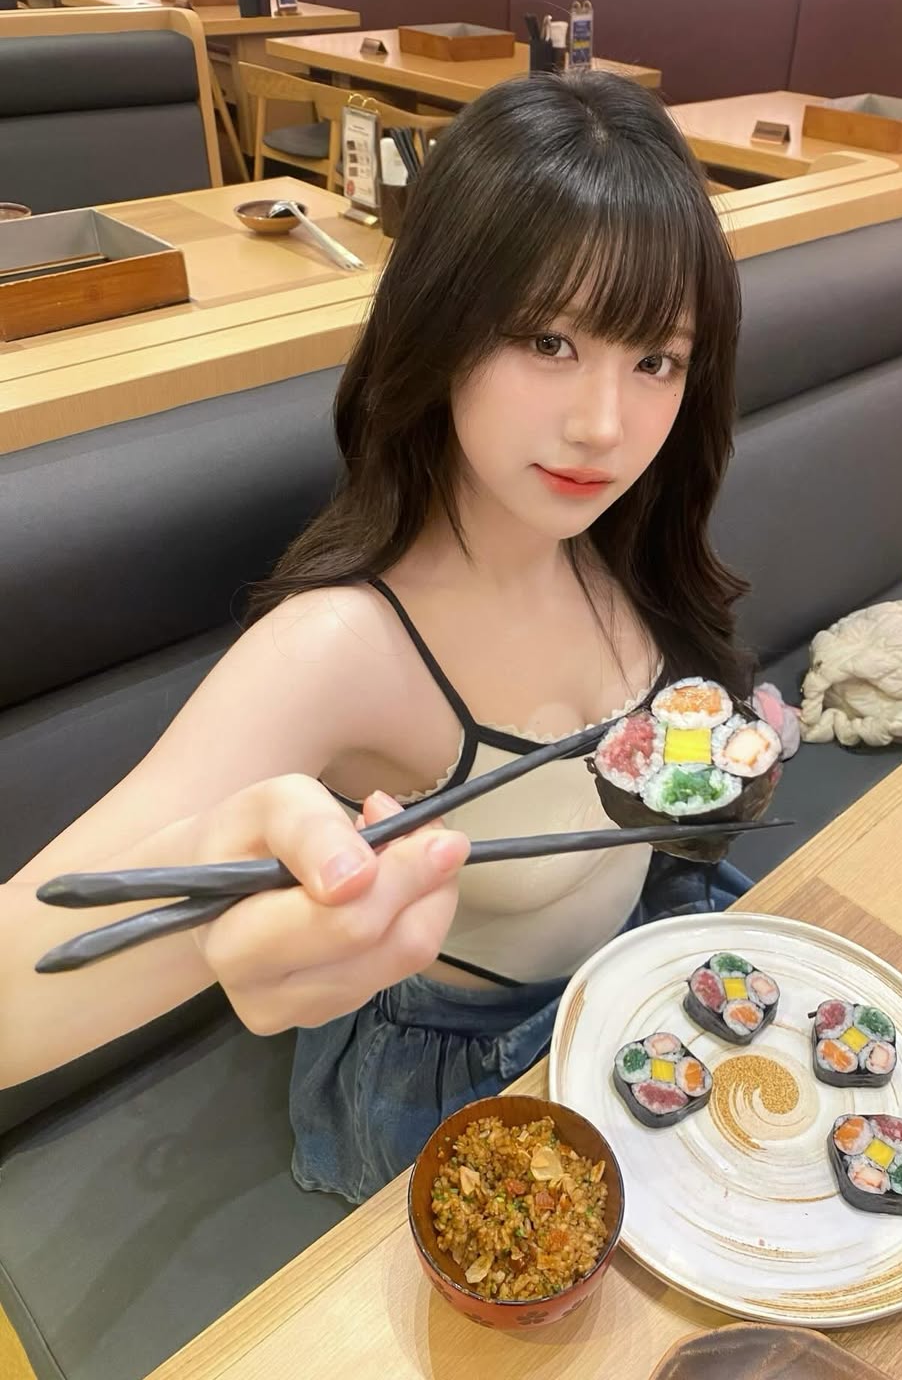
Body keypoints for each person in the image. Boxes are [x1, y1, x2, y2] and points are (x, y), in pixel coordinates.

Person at [7, 68, 755, 1202]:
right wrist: (214, 898)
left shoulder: (618, 540)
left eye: (655, 360)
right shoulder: (342, 644)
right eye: (547, 340)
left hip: (635, 986)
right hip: (473, 1077)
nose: (605, 425)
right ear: (440, 325)